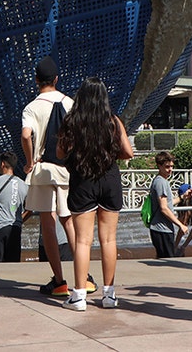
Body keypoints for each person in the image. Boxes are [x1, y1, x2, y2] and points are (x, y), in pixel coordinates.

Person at [55, 77, 133, 311]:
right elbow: (127, 152)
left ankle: (79, 296)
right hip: (109, 180)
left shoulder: (72, 122)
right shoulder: (112, 121)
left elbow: (60, 152)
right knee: (108, 239)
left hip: (82, 181)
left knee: (82, 240)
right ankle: (109, 295)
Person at [21, 56, 86, 298]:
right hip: (68, 169)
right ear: (57, 79)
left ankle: (59, 281)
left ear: (36, 80)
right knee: (69, 219)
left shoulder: (31, 107)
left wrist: (29, 162)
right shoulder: (70, 102)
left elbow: (26, 135)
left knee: (47, 222)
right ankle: (85, 277)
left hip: (42, 169)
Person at [0, 152, 28, 262]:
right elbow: (30, 209)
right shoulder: (24, 185)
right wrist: (19, 220)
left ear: (2, 164)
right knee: (13, 263)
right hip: (15, 228)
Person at [147, 151, 187, 258]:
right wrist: (180, 225)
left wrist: (182, 198)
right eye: (167, 167)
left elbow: (167, 203)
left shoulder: (161, 181)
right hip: (161, 229)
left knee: (164, 260)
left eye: (172, 166)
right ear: (159, 166)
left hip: (162, 229)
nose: (170, 170)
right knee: (167, 260)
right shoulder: (161, 182)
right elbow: (164, 208)